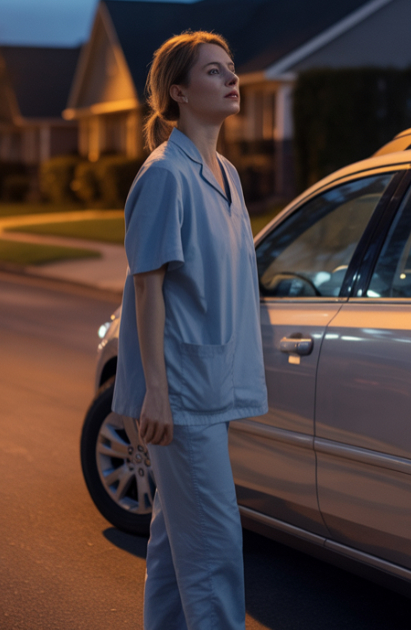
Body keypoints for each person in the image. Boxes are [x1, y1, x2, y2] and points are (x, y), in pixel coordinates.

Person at [110, 31, 268, 630]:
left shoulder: (225, 171)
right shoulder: (165, 177)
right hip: (179, 396)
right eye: (212, 72)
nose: (231, 79)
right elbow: (147, 289)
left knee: (177, 545)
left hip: (210, 388)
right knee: (214, 552)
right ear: (178, 91)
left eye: (231, 69)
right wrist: (156, 392)